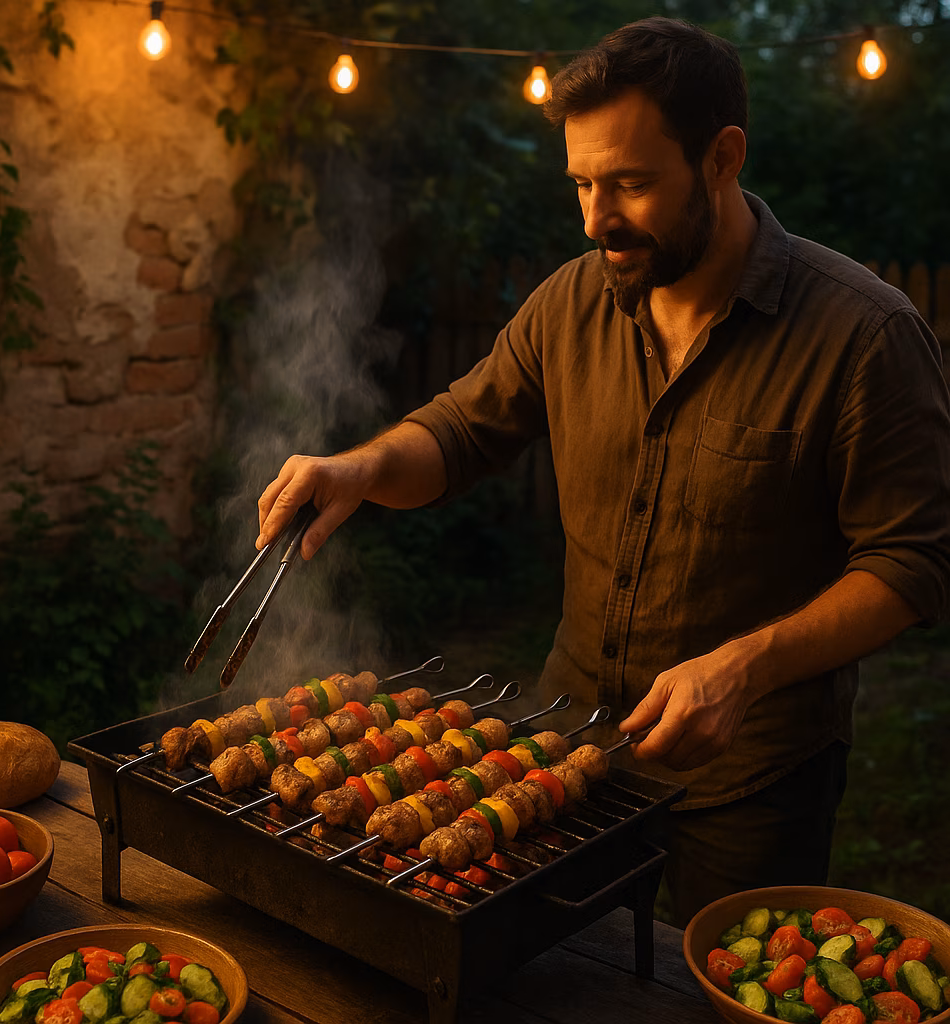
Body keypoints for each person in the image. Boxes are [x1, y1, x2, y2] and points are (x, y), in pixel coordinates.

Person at [255, 17, 950, 924]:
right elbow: (463, 429)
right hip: (567, 750)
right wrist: (360, 467)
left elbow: (914, 563)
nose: (595, 219)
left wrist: (743, 666)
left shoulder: (865, 334)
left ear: (722, 156)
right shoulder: (571, 301)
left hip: (751, 784)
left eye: (629, 183)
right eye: (582, 183)